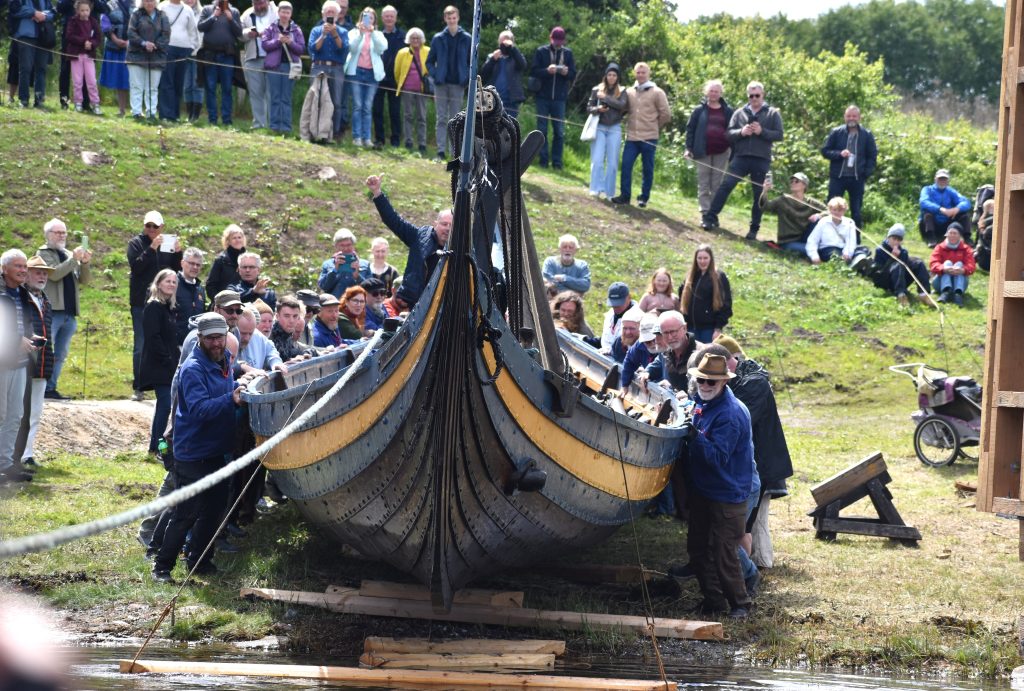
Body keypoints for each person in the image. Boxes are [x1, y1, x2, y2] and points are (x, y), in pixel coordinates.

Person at [152, 313, 242, 583]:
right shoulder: (192, 369)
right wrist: (232, 398)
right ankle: (161, 567)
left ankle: (199, 561)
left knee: (214, 510)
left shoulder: (224, 358)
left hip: (217, 449)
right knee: (186, 513)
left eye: (221, 336)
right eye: (211, 338)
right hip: (192, 453)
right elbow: (200, 409)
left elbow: (225, 389)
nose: (217, 343)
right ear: (200, 339)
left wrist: (240, 385)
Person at [682, 350, 755, 619]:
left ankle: (740, 605)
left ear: (724, 382)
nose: (704, 386)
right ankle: (714, 601)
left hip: (728, 495)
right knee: (698, 548)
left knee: (724, 553)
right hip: (705, 490)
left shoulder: (730, 414)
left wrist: (694, 434)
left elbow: (717, 458)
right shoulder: (703, 402)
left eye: (711, 382)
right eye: (701, 380)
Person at [715, 335, 792, 570]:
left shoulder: (753, 384)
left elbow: (741, 420)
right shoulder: (745, 381)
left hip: (763, 460)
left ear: (729, 361)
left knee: (755, 521)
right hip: (756, 459)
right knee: (753, 519)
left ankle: (760, 565)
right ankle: (756, 563)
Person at [703, 81, 784, 239]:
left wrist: (762, 131)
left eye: (757, 95)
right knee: (726, 185)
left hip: (762, 159)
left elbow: (779, 135)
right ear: (748, 96)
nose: (754, 98)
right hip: (740, 157)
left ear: (763, 95)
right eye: (751, 95)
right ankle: (709, 218)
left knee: (759, 195)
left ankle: (754, 229)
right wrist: (741, 132)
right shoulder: (739, 112)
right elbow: (728, 134)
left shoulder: (773, 113)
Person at [366, 173, 451, 307]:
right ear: (436, 223)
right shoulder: (419, 237)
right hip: (408, 305)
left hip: (440, 308)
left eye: (451, 225)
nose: (447, 228)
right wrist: (377, 192)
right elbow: (393, 220)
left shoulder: (459, 248)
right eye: (444, 224)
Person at [128, 211, 182, 401]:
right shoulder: (136, 243)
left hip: (164, 303)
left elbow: (175, 272)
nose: (151, 229)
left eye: (155, 226)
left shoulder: (167, 245)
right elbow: (136, 267)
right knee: (141, 344)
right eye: (148, 226)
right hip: (141, 302)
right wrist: (151, 249)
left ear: (162, 227)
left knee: (165, 342)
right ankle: (139, 387)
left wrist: (178, 253)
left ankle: (165, 382)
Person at [38, 218, 91, 400]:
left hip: (69, 313)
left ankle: (51, 388)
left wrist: (84, 263)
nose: (62, 236)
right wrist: (73, 259)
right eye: (58, 232)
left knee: (61, 353)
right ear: (48, 235)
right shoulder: (42, 253)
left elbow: (84, 280)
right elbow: (54, 275)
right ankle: (41, 389)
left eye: (64, 232)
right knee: (47, 351)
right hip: (53, 311)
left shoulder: (68, 254)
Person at [13, 256, 55, 472]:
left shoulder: (45, 300)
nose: (42, 276)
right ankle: (12, 455)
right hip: (20, 361)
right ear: (27, 274)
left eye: (45, 273)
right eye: (37, 272)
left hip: (41, 364)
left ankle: (27, 453)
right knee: (16, 411)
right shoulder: (19, 297)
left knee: (35, 412)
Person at [610, 63, 671, 208]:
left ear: (648, 73)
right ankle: (625, 196)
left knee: (647, 169)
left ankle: (643, 197)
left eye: (643, 72)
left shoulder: (657, 92)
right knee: (625, 166)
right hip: (632, 137)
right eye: (638, 72)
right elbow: (622, 109)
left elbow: (666, 114)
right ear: (634, 73)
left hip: (649, 137)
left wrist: (655, 127)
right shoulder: (629, 91)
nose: (640, 75)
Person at [0, 250, 35, 485]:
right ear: (4, 269)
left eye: (25, 266)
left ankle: (6, 464)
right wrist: (15, 338)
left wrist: (33, 339)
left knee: (15, 415)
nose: (23, 270)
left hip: (20, 362)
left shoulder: (22, 293)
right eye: (17, 266)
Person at [821, 105, 877, 239]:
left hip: (857, 179)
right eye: (849, 116)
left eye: (854, 116)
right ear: (844, 117)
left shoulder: (867, 135)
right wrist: (839, 153)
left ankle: (855, 239)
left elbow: (872, 156)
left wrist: (866, 173)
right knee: (832, 209)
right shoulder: (836, 132)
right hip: (838, 178)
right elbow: (825, 151)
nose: (851, 118)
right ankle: (828, 237)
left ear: (859, 117)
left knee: (856, 211)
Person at [139, 268, 179, 454]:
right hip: (159, 366)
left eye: (173, 282)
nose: (171, 284)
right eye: (167, 281)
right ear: (159, 283)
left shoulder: (169, 308)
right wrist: (168, 359)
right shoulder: (153, 306)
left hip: (169, 365)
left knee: (165, 407)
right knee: (164, 407)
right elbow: (153, 337)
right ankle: (158, 447)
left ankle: (159, 447)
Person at [426, 5, 470, 161]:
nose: (451, 21)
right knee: (441, 118)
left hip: (458, 85)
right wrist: (436, 75)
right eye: (448, 18)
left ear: (458, 18)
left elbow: (472, 62)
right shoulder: (438, 38)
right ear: (445, 19)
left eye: (454, 18)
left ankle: (454, 153)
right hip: (441, 84)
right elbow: (429, 62)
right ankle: (440, 152)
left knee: (456, 119)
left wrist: (467, 78)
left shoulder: (467, 38)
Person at [529, 26, 576, 170]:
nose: (558, 43)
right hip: (542, 97)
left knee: (559, 132)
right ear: (551, 38)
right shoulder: (541, 51)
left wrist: (566, 73)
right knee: (542, 130)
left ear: (564, 41)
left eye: (560, 41)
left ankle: (557, 163)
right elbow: (534, 71)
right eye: (556, 40)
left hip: (560, 99)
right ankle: (543, 161)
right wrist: (547, 71)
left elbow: (573, 74)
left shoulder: (568, 54)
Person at [685, 79, 733, 216]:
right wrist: (688, 148)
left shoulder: (728, 111)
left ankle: (713, 213)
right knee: (703, 182)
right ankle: (704, 211)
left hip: (722, 152)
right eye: (711, 91)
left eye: (716, 91)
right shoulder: (699, 110)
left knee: (717, 184)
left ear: (721, 93)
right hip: (702, 151)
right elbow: (690, 130)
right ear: (706, 92)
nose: (713, 94)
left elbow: (733, 131)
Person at [307, 0, 351, 141]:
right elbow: (313, 48)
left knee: (336, 102)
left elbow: (343, 49)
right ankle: (313, 131)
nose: (330, 14)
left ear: (338, 15)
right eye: (328, 12)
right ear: (323, 14)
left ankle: (334, 133)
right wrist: (324, 34)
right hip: (319, 66)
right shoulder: (316, 30)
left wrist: (334, 34)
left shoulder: (343, 31)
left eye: (333, 12)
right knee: (316, 99)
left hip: (336, 68)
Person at [345, 6, 386, 147]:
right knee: (357, 105)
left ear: (374, 20)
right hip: (355, 73)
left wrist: (372, 33)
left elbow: (382, 48)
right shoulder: (354, 32)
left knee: (367, 106)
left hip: (372, 75)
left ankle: (367, 138)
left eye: (371, 17)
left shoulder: (378, 34)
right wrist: (361, 34)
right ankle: (357, 137)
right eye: (365, 17)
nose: (368, 20)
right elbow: (351, 48)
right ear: (361, 18)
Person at [261, 0, 304, 134]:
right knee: (274, 97)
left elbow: (301, 49)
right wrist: (278, 41)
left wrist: (290, 42)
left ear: (291, 14)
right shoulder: (270, 28)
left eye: (288, 12)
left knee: (285, 98)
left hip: (289, 67)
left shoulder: (296, 30)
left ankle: (286, 128)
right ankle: (274, 126)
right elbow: (265, 45)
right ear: (278, 13)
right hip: (273, 67)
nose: (285, 14)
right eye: (283, 12)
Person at [585, 63, 627, 199]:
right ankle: (595, 188)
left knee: (613, 162)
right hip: (599, 126)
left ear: (617, 77)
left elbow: (621, 105)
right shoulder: (596, 89)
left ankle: (609, 192)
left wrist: (605, 98)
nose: (612, 77)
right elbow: (589, 108)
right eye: (609, 74)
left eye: (614, 75)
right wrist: (598, 109)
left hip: (615, 128)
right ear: (606, 75)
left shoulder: (622, 91)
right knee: (597, 160)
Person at [197, 0, 242, 125]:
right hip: (209, 54)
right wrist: (213, 17)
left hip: (227, 55)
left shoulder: (234, 11)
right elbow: (200, 27)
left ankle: (227, 120)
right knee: (210, 88)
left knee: (227, 88)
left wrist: (231, 19)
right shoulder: (207, 10)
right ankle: (212, 120)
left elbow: (239, 33)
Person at [758, 172, 825, 254]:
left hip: (805, 237)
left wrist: (819, 215)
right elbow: (765, 207)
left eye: (796, 181)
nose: (793, 183)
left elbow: (830, 211)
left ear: (804, 185)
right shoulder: (783, 199)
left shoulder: (811, 202)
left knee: (820, 220)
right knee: (816, 251)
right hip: (788, 241)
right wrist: (765, 191)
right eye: (792, 181)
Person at [126, 0, 170, 120]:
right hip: (136, 55)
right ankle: (136, 113)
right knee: (137, 85)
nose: (149, 3)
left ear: (155, 2)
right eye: (146, 0)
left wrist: (154, 45)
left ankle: (151, 113)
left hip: (156, 55)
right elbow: (131, 32)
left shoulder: (162, 15)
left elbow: (166, 35)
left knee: (153, 87)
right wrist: (144, 43)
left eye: (151, 0)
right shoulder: (136, 14)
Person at [157, 0, 201, 121]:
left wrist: (192, 48)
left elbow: (193, 31)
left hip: (184, 49)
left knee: (178, 83)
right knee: (166, 82)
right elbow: (157, 27)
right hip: (167, 48)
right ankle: (165, 114)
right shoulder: (162, 7)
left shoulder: (187, 9)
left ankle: (175, 115)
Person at [680, 244, 732, 343]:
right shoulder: (690, 276)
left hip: (709, 330)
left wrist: (718, 328)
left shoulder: (719, 277)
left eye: (705, 258)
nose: (702, 261)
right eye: (699, 258)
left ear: (711, 259)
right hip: (690, 328)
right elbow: (681, 298)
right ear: (695, 259)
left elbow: (726, 304)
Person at [239, 0, 277, 130]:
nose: (259, 7)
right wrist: (248, 33)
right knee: (255, 93)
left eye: (261, 3)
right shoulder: (246, 14)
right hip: (252, 58)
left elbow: (285, 27)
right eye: (256, 4)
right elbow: (238, 33)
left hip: (273, 59)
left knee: (272, 93)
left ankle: (273, 124)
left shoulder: (275, 13)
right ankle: (259, 124)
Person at [11, 0, 56, 108]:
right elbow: (15, 9)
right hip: (26, 35)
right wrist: (34, 13)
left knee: (41, 69)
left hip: (43, 37)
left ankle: (39, 100)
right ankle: (24, 100)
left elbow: (52, 12)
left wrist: (44, 16)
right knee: (25, 68)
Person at [639, 310, 695, 394]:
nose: (670, 337)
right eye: (665, 333)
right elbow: (658, 362)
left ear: (684, 328)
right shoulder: (666, 351)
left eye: (673, 332)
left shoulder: (698, 354)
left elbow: (704, 390)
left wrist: (673, 389)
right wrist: (647, 372)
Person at [371, 4, 403, 149]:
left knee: (395, 112)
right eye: (386, 16)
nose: (389, 18)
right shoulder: (376, 34)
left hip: (396, 79)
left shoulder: (403, 36)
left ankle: (395, 141)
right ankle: (379, 139)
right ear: (382, 18)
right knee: (377, 110)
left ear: (395, 18)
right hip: (378, 78)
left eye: (392, 16)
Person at [874, 224, 930, 307]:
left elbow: (906, 269)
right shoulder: (880, 250)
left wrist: (900, 256)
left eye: (899, 240)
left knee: (918, 263)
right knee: (898, 264)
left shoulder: (903, 252)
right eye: (894, 239)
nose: (896, 242)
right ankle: (901, 295)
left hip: (902, 280)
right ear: (888, 237)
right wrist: (892, 258)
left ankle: (923, 294)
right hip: (886, 282)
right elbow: (879, 273)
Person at [394, 26, 429, 154]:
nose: (415, 40)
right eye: (413, 38)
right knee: (407, 116)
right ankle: (408, 141)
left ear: (421, 39)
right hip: (407, 88)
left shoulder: (428, 51)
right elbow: (397, 71)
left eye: (417, 38)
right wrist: (401, 84)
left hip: (422, 89)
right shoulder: (402, 52)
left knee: (422, 117)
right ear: (409, 39)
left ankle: (422, 143)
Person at [64, 0, 103, 114]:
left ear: (90, 10)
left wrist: (91, 44)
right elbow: (69, 36)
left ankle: (95, 104)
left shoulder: (93, 21)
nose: (85, 13)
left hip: (89, 55)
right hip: (76, 55)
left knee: (91, 81)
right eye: (82, 10)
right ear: (77, 11)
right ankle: (78, 103)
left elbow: (98, 37)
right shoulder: (73, 21)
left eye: (87, 10)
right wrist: (83, 42)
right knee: (77, 81)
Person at [919, 169, 972, 247]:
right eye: (940, 178)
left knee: (964, 215)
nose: (942, 181)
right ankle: (931, 238)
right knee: (927, 213)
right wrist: (940, 209)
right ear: (935, 179)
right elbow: (923, 202)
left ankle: (967, 238)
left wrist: (956, 209)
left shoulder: (951, 191)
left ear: (948, 180)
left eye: (944, 179)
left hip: (947, 224)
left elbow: (966, 202)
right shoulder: (927, 189)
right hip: (930, 224)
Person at [480, 29, 525, 119]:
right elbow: (483, 74)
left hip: (511, 100)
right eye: (501, 42)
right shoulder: (492, 56)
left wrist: (513, 49)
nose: (503, 45)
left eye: (506, 43)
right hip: (492, 99)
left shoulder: (516, 57)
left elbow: (522, 65)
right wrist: (493, 59)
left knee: (509, 127)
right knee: (491, 126)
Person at [99, 0, 134, 116]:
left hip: (133, 48)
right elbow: (105, 23)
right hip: (114, 47)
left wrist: (131, 41)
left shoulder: (136, 4)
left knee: (133, 80)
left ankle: (137, 110)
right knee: (120, 80)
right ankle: (121, 110)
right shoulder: (109, 4)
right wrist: (115, 39)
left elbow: (140, 23)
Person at [929, 223, 976, 307]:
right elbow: (933, 264)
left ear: (960, 236)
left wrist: (962, 270)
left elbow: (971, 266)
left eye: (955, 233)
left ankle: (958, 294)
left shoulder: (966, 249)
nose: (952, 236)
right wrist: (944, 268)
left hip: (960, 282)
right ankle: (945, 291)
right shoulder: (939, 247)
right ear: (947, 234)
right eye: (950, 233)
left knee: (959, 264)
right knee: (947, 263)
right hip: (939, 282)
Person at [318, 228, 370, 297]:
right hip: (335, 305)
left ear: (353, 245)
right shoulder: (328, 264)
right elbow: (323, 287)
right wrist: (335, 270)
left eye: (349, 245)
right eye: (342, 245)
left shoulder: (365, 264)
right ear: (336, 246)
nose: (345, 248)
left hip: (358, 305)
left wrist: (357, 276)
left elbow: (370, 289)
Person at [805, 197, 856, 265]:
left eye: (840, 210)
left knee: (860, 251)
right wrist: (814, 256)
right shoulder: (824, 221)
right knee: (834, 255)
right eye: (834, 210)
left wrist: (847, 253)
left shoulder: (849, 222)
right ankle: (849, 264)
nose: (837, 212)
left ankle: (858, 262)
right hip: (827, 250)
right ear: (830, 210)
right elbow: (812, 240)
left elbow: (851, 241)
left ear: (844, 211)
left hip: (843, 249)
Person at [236, 306, 285, 372]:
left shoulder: (257, 336)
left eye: (250, 333)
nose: (247, 338)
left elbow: (270, 350)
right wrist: (241, 367)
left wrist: (275, 363)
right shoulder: (226, 339)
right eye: (243, 333)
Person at [620, 312, 660, 389]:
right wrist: (625, 385)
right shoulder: (639, 345)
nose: (652, 344)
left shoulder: (667, 346)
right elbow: (629, 361)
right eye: (648, 342)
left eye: (654, 340)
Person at [205, 224, 246, 301]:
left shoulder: (248, 259)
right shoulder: (221, 260)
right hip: (225, 305)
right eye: (234, 238)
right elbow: (211, 286)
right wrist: (220, 303)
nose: (237, 240)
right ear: (228, 241)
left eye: (239, 237)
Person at [175, 247, 206, 344]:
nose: (195, 267)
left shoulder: (200, 289)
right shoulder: (172, 285)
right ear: (182, 263)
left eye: (198, 265)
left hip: (196, 342)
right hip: (175, 343)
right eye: (191, 263)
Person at [181, 0, 205, 120]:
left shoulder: (203, 12)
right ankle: (189, 114)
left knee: (197, 85)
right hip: (184, 53)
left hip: (199, 53)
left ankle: (195, 116)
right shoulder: (180, 11)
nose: (189, 0)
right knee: (186, 86)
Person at [600, 282, 636, 353]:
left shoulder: (637, 318)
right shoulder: (610, 313)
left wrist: (612, 351)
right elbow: (607, 340)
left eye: (619, 303)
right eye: (613, 303)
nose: (615, 307)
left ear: (629, 297)